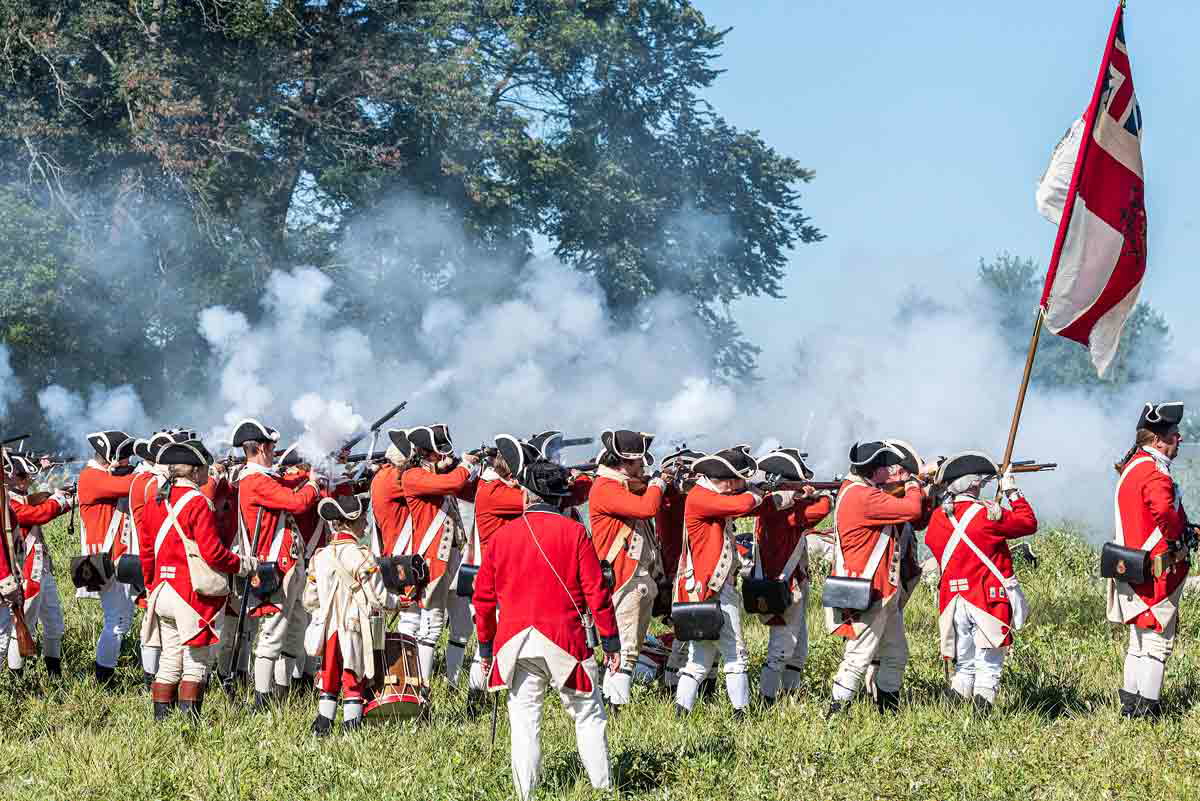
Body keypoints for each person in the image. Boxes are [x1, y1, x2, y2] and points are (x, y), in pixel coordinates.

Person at [474, 459, 621, 800]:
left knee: (524, 722)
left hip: (514, 642)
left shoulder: (501, 537)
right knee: (588, 715)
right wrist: (611, 642)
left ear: (527, 494)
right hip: (564, 641)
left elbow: (483, 600)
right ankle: (603, 791)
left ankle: (526, 795)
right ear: (559, 497)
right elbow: (596, 592)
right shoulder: (574, 533)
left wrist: (485, 650)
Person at [140, 440, 256, 720]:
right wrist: (244, 565)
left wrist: (151, 585)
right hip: (188, 594)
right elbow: (213, 554)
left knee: (169, 658)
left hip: (162, 590)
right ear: (193, 471)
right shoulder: (197, 503)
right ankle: (189, 726)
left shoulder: (156, 500)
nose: (207, 471)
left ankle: (162, 722)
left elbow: (146, 551)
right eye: (204, 466)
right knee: (196, 663)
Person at [923, 451, 1037, 712]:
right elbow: (1028, 523)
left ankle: (956, 720)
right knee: (989, 665)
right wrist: (1012, 492)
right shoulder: (988, 514)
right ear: (974, 483)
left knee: (965, 665)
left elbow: (932, 543)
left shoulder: (939, 518)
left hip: (953, 602)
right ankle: (981, 723)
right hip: (986, 599)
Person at [825, 441, 927, 716]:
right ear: (875, 469)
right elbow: (912, 510)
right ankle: (834, 716)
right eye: (886, 466)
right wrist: (915, 482)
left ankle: (888, 713)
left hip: (884, 590)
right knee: (858, 658)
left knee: (895, 655)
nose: (892, 470)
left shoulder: (860, 490)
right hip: (870, 589)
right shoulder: (863, 496)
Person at [226, 418, 320, 709]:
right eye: (272, 447)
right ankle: (261, 701)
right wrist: (314, 484)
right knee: (272, 635)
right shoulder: (255, 480)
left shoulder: (258, 478)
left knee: (292, 631)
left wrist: (310, 473)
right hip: (275, 567)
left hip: (285, 566)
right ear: (262, 448)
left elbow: (286, 485)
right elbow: (297, 503)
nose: (275, 452)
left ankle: (281, 693)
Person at [1108, 402, 1191, 719]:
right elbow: (1166, 519)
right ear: (1158, 440)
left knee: (1138, 640)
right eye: (1174, 434)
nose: (1179, 438)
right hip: (1157, 569)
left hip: (1130, 564)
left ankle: (1131, 706)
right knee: (1157, 642)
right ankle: (1148, 712)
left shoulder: (1133, 466)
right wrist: (1184, 535)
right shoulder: (1155, 474)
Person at [672, 447, 764, 718]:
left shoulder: (704, 495)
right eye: (735, 480)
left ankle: (682, 713)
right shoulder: (702, 497)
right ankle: (741, 714)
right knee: (735, 654)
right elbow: (743, 505)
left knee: (699, 661)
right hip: (714, 587)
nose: (737, 485)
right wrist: (758, 492)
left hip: (704, 587)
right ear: (723, 479)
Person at [588, 429, 667, 712]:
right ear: (626, 462)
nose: (643, 467)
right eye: (639, 462)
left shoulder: (620, 486)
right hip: (624, 578)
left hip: (635, 577)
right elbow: (647, 507)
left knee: (626, 648)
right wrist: (658, 484)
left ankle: (611, 703)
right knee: (626, 651)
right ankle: (615, 709)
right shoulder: (606, 488)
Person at [399, 424, 480, 686]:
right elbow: (454, 481)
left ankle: (453, 683)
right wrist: (464, 465)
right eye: (438, 453)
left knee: (462, 624)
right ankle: (421, 690)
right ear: (426, 453)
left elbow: (469, 489)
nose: (443, 456)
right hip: (433, 561)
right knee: (431, 626)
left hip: (454, 559)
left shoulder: (438, 475)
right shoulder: (412, 476)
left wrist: (470, 467)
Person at [750, 448, 832, 705]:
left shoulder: (777, 506)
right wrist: (820, 495)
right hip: (785, 585)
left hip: (792, 581)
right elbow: (820, 510)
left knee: (797, 650)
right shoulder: (778, 509)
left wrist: (800, 495)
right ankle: (767, 702)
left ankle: (789, 697)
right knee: (782, 649)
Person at [302, 494, 387, 735]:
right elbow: (379, 597)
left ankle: (323, 726)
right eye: (363, 520)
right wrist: (398, 603)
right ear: (352, 522)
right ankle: (352, 730)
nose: (366, 526)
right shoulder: (361, 555)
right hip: (354, 626)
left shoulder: (320, 556)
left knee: (328, 679)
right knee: (354, 677)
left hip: (328, 628)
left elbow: (310, 599)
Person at [0, 454, 73, 677]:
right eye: (21, 476)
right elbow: (37, 515)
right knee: (22, 627)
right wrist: (59, 501)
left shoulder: (24, 498)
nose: (26, 481)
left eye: (27, 476)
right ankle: (17, 678)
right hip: (25, 573)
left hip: (43, 568)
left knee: (54, 623)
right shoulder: (8, 504)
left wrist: (61, 498)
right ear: (8, 478)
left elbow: (40, 507)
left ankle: (54, 673)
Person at [77, 430, 138, 684]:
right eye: (123, 457)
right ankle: (104, 678)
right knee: (117, 622)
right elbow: (129, 485)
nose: (127, 462)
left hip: (117, 559)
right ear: (111, 457)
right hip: (105, 561)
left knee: (121, 620)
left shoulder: (101, 475)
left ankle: (106, 673)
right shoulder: (92, 477)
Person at [129, 430, 185, 689]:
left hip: (154, 553)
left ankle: (157, 676)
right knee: (151, 622)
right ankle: (150, 678)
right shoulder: (151, 483)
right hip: (150, 553)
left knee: (158, 620)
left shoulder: (153, 481)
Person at [654, 447, 702, 694]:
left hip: (683, 572)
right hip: (681, 573)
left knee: (695, 635)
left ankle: (680, 684)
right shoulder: (672, 496)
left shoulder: (668, 494)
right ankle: (673, 686)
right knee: (686, 635)